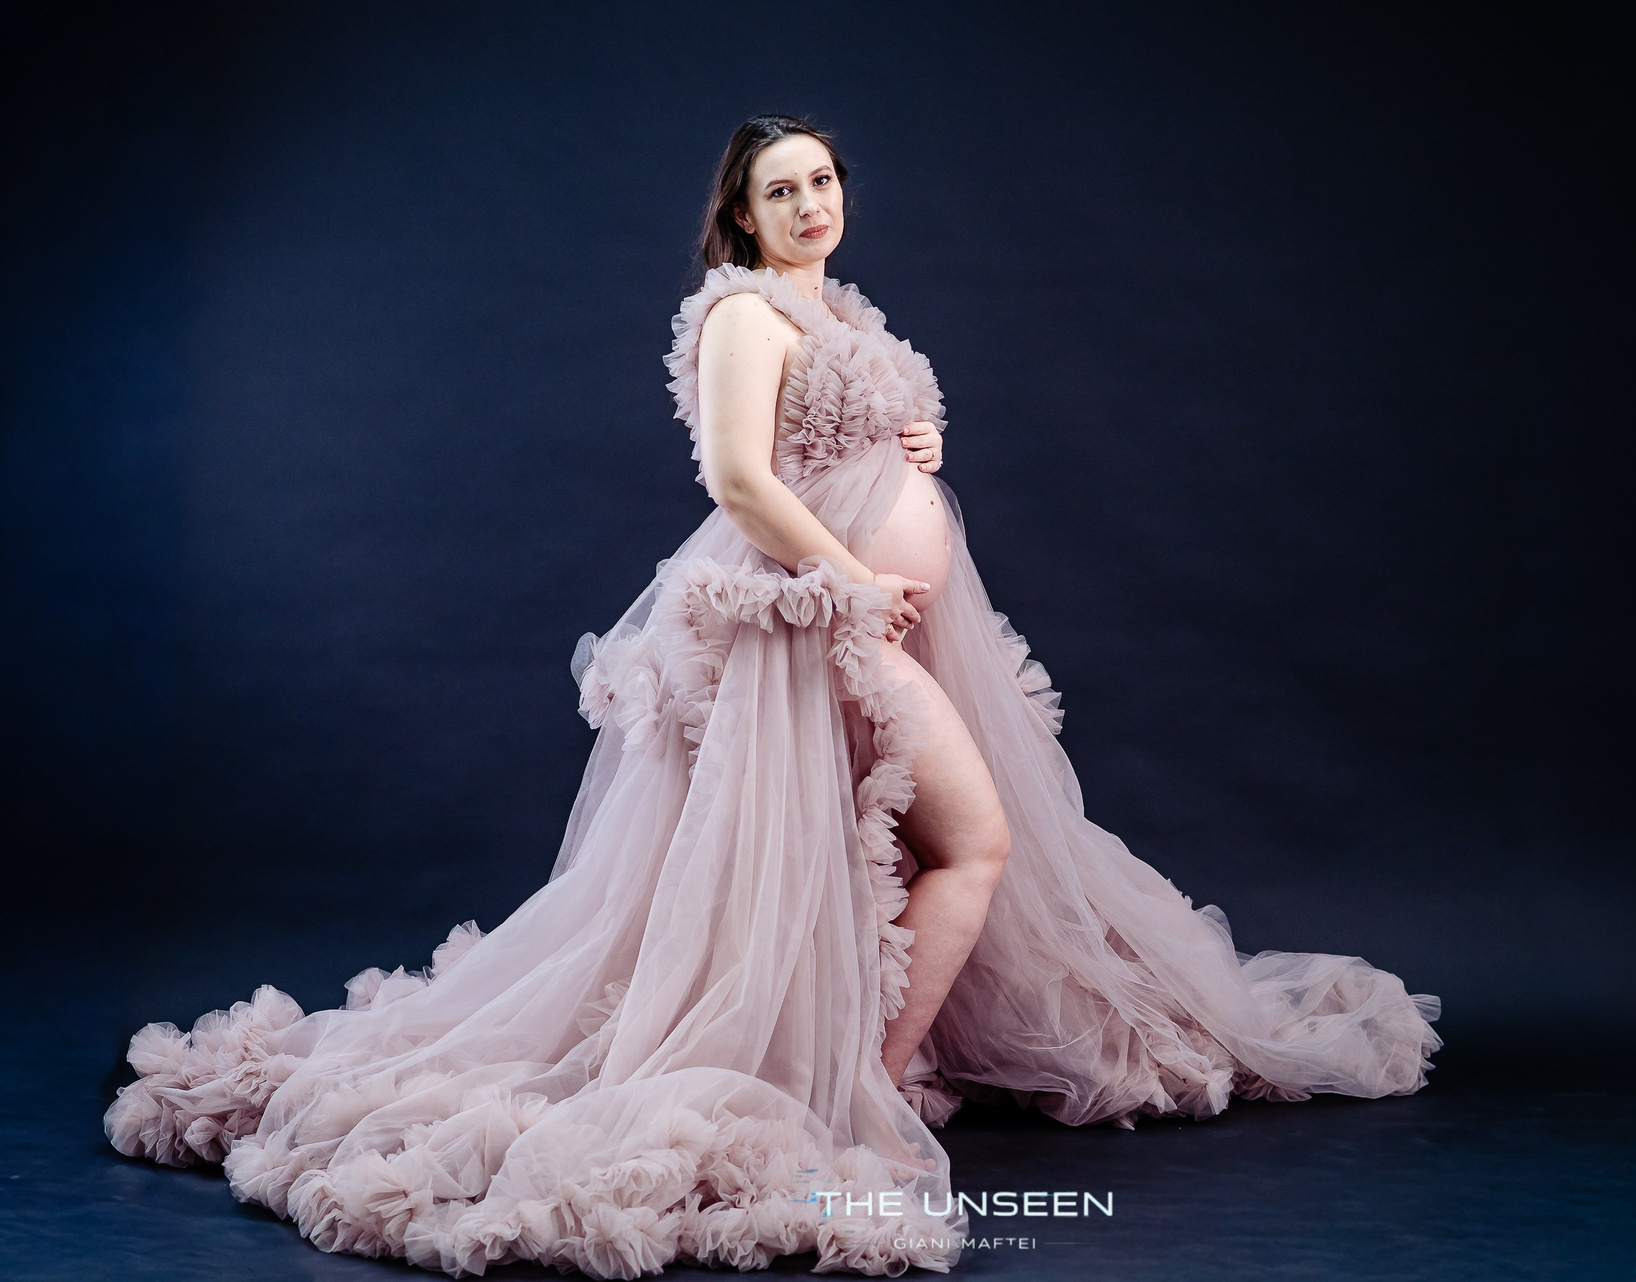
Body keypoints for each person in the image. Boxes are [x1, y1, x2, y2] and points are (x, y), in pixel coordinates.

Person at [105, 114, 1441, 1279]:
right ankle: (860, 1090)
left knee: (890, 856)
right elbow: (741, 479)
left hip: (866, 621)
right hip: (809, 623)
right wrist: (853, 576)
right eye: (783, 190)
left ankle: (863, 1071)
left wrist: (915, 447)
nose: (811, 204)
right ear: (743, 214)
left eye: (824, 182)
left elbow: (840, 441)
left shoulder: (839, 311)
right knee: (968, 841)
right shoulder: (744, 314)